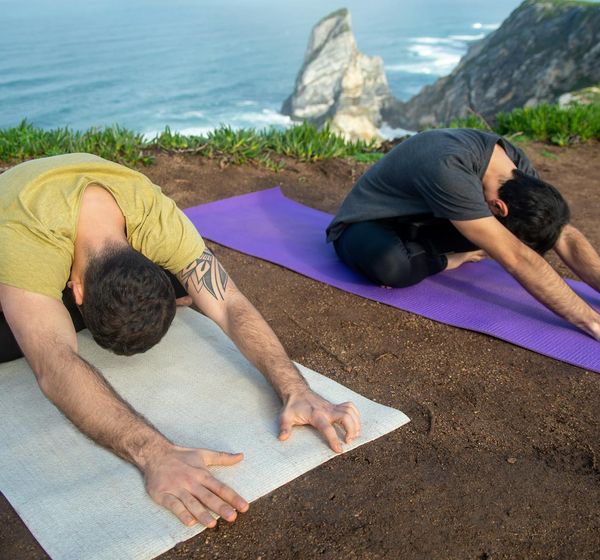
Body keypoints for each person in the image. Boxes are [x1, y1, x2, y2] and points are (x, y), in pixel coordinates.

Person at [0, 153, 361, 528]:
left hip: (75, 227)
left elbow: (229, 304)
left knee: (193, 278)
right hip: (18, 214)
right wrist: (155, 454)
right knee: (22, 338)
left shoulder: (157, 220)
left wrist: (295, 389)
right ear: (75, 292)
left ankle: (150, 288)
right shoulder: (27, 242)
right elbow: (54, 364)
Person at [327, 128, 600, 340]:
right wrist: (591, 321)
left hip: (428, 219)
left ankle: (443, 249)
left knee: (497, 235)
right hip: (368, 222)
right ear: (498, 206)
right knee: (392, 266)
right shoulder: (450, 168)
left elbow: (562, 232)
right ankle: (451, 259)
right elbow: (517, 258)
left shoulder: (516, 169)